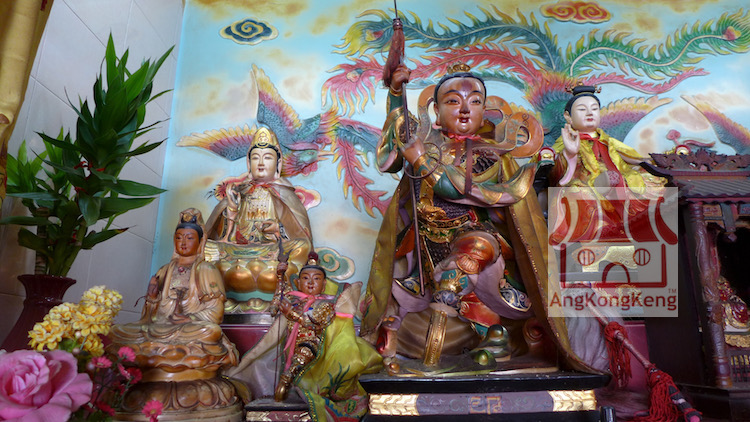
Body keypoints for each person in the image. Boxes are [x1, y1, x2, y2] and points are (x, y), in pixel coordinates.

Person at [360, 62, 589, 370]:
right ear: (437, 111)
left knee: (468, 259)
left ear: (484, 110)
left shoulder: (491, 154)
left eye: (475, 101)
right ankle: (456, 340)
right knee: (396, 296)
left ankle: (453, 346)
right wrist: (396, 93)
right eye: (453, 101)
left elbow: (458, 190)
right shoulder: (425, 145)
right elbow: (396, 144)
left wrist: (422, 161)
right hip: (426, 245)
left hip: (477, 239)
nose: (465, 109)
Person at [224, 253, 382, 420]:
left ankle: (289, 381)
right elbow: (274, 308)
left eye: (316, 279)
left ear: (324, 284)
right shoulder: (293, 300)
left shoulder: (325, 305)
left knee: (303, 354)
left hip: (314, 347)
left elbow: (315, 325)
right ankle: (283, 388)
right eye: (306, 278)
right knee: (261, 364)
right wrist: (280, 277)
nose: (311, 283)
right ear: (298, 283)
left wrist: (291, 314)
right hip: (288, 348)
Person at [108, 208, 238, 375]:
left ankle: (157, 352)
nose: (183, 242)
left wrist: (190, 318)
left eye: (189, 238)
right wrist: (152, 298)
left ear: (200, 242)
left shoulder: (206, 269)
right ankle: (170, 352)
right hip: (160, 326)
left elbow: (216, 310)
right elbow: (150, 316)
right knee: (117, 331)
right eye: (178, 237)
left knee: (211, 332)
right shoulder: (164, 270)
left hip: (189, 328)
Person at [204, 126, 312, 303]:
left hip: (272, 252)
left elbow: (301, 234)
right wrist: (232, 209)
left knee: (302, 246)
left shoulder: (286, 195)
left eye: (267, 157)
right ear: (249, 164)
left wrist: (278, 229)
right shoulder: (239, 192)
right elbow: (220, 235)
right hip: (237, 251)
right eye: (255, 158)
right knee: (205, 248)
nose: (261, 163)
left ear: (278, 163)